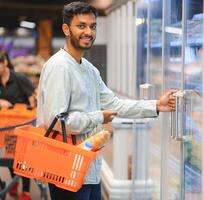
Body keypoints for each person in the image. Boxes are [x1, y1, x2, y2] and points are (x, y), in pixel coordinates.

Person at [36, 2, 176, 200]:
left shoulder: (89, 70)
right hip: (66, 169)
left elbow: (115, 104)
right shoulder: (60, 67)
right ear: (66, 29)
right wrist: (98, 117)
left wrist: (155, 105)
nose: (88, 32)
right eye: (81, 26)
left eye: (92, 26)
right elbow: (56, 120)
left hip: (89, 168)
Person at [0, 51, 35, 200]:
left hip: (23, 126)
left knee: (23, 159)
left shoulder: (19, 79)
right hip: (6, 128)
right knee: (9, 156)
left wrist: (31, 107)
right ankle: (14, 182)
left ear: (5, 63)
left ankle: (25, 190)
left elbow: (34, 97)